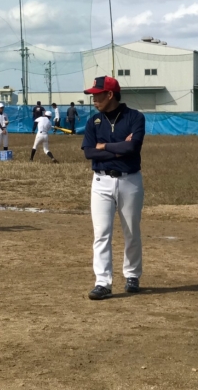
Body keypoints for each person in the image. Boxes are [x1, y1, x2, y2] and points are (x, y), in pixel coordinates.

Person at [81, 76, 145, 300]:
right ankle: (103, 282)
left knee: (131, 231)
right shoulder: (94, 121)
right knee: (101, 233)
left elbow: (132, 147)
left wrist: (105, 146)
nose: (93, 99)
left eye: (97, 95)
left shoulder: (134, 117)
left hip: (130, 180)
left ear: (110, 94)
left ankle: (132, 275)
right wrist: (118, 150)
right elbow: (89, 152)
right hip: (101, 182)